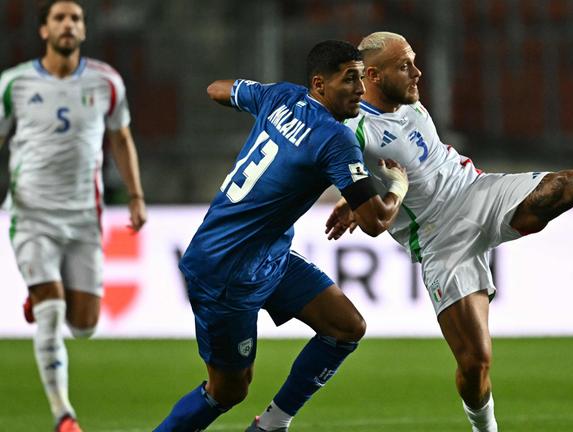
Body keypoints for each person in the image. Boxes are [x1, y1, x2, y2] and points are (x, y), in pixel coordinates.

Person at [325, 32, 573, 432]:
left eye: (413, 61)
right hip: (439, 240)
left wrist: (359, 195)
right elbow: (349, 172)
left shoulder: (408, 102)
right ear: (373, 75)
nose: (417, 72)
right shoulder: (354, 130)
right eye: (404, 66)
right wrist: (355, 199)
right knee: (474, 364)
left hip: (476, 191)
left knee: (564, 187)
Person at [153, 40, 408, 432]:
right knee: (228, 391)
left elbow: (216, 89)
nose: (360, 89)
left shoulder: (281, 96)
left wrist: (253, 101)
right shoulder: (335, 138)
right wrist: (397, 186)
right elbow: (376, 222)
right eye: (349, 79)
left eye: (361, 78)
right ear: (320, 84)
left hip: (266, 255)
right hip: (227, 272)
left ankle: (271, 425)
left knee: (346, 327)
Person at [0, 1, 146, 431]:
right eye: (60, 18)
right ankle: (64, 414)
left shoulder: (106, 82)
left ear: (82, 30)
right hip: (31, 213)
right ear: (44, 30)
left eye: (76, 19)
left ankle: (42, 294)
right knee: (50, 311)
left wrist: (136, 195)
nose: (69, 24)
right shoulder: (14, 83)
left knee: (84, 325)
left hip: (84, 217)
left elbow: (121, 137)